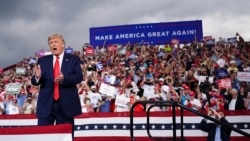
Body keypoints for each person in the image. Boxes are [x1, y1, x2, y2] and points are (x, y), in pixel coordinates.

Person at [31, 34, 83, 128]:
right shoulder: (42, 61)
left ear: (63, 44)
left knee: (65, 135)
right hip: (46, 105)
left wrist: (65, 78)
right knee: (43, 135)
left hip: (66, 105)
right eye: (50, 43)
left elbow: (79, 77)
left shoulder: (73, 60)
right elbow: (34, 82)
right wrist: (37, 77)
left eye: (55, 42)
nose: (53, 45)